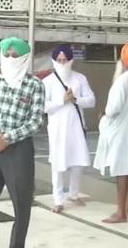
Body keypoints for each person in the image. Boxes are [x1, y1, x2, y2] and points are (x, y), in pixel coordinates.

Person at [0, 37, 45, 248]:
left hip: (19, 150)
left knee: (21, 204)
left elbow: (36, 121)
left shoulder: (35, 85)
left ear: (25, 58)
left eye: (15, 56)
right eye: (6, 55)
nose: (10, 59)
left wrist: (7, 138)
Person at [93, 43, 128, 223]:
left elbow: (113, 108)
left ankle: (120, 212)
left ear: (122, 60)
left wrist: (103, 114)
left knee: (121, 172)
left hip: (120, 132)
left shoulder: (122, 80)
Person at [42, 45, 95, 213]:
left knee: (77, 161)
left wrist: (76, 99)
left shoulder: (80, 78)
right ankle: (58, 200)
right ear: (55, 61)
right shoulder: (48, 81)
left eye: (65, 60)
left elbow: (91, 100)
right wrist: (62, 100)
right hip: (57, 129)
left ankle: (73, 193)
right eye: (59, 60)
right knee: (58, 163)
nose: (62, 63)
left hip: (76, 128)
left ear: (71, 60)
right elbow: (43, 106)